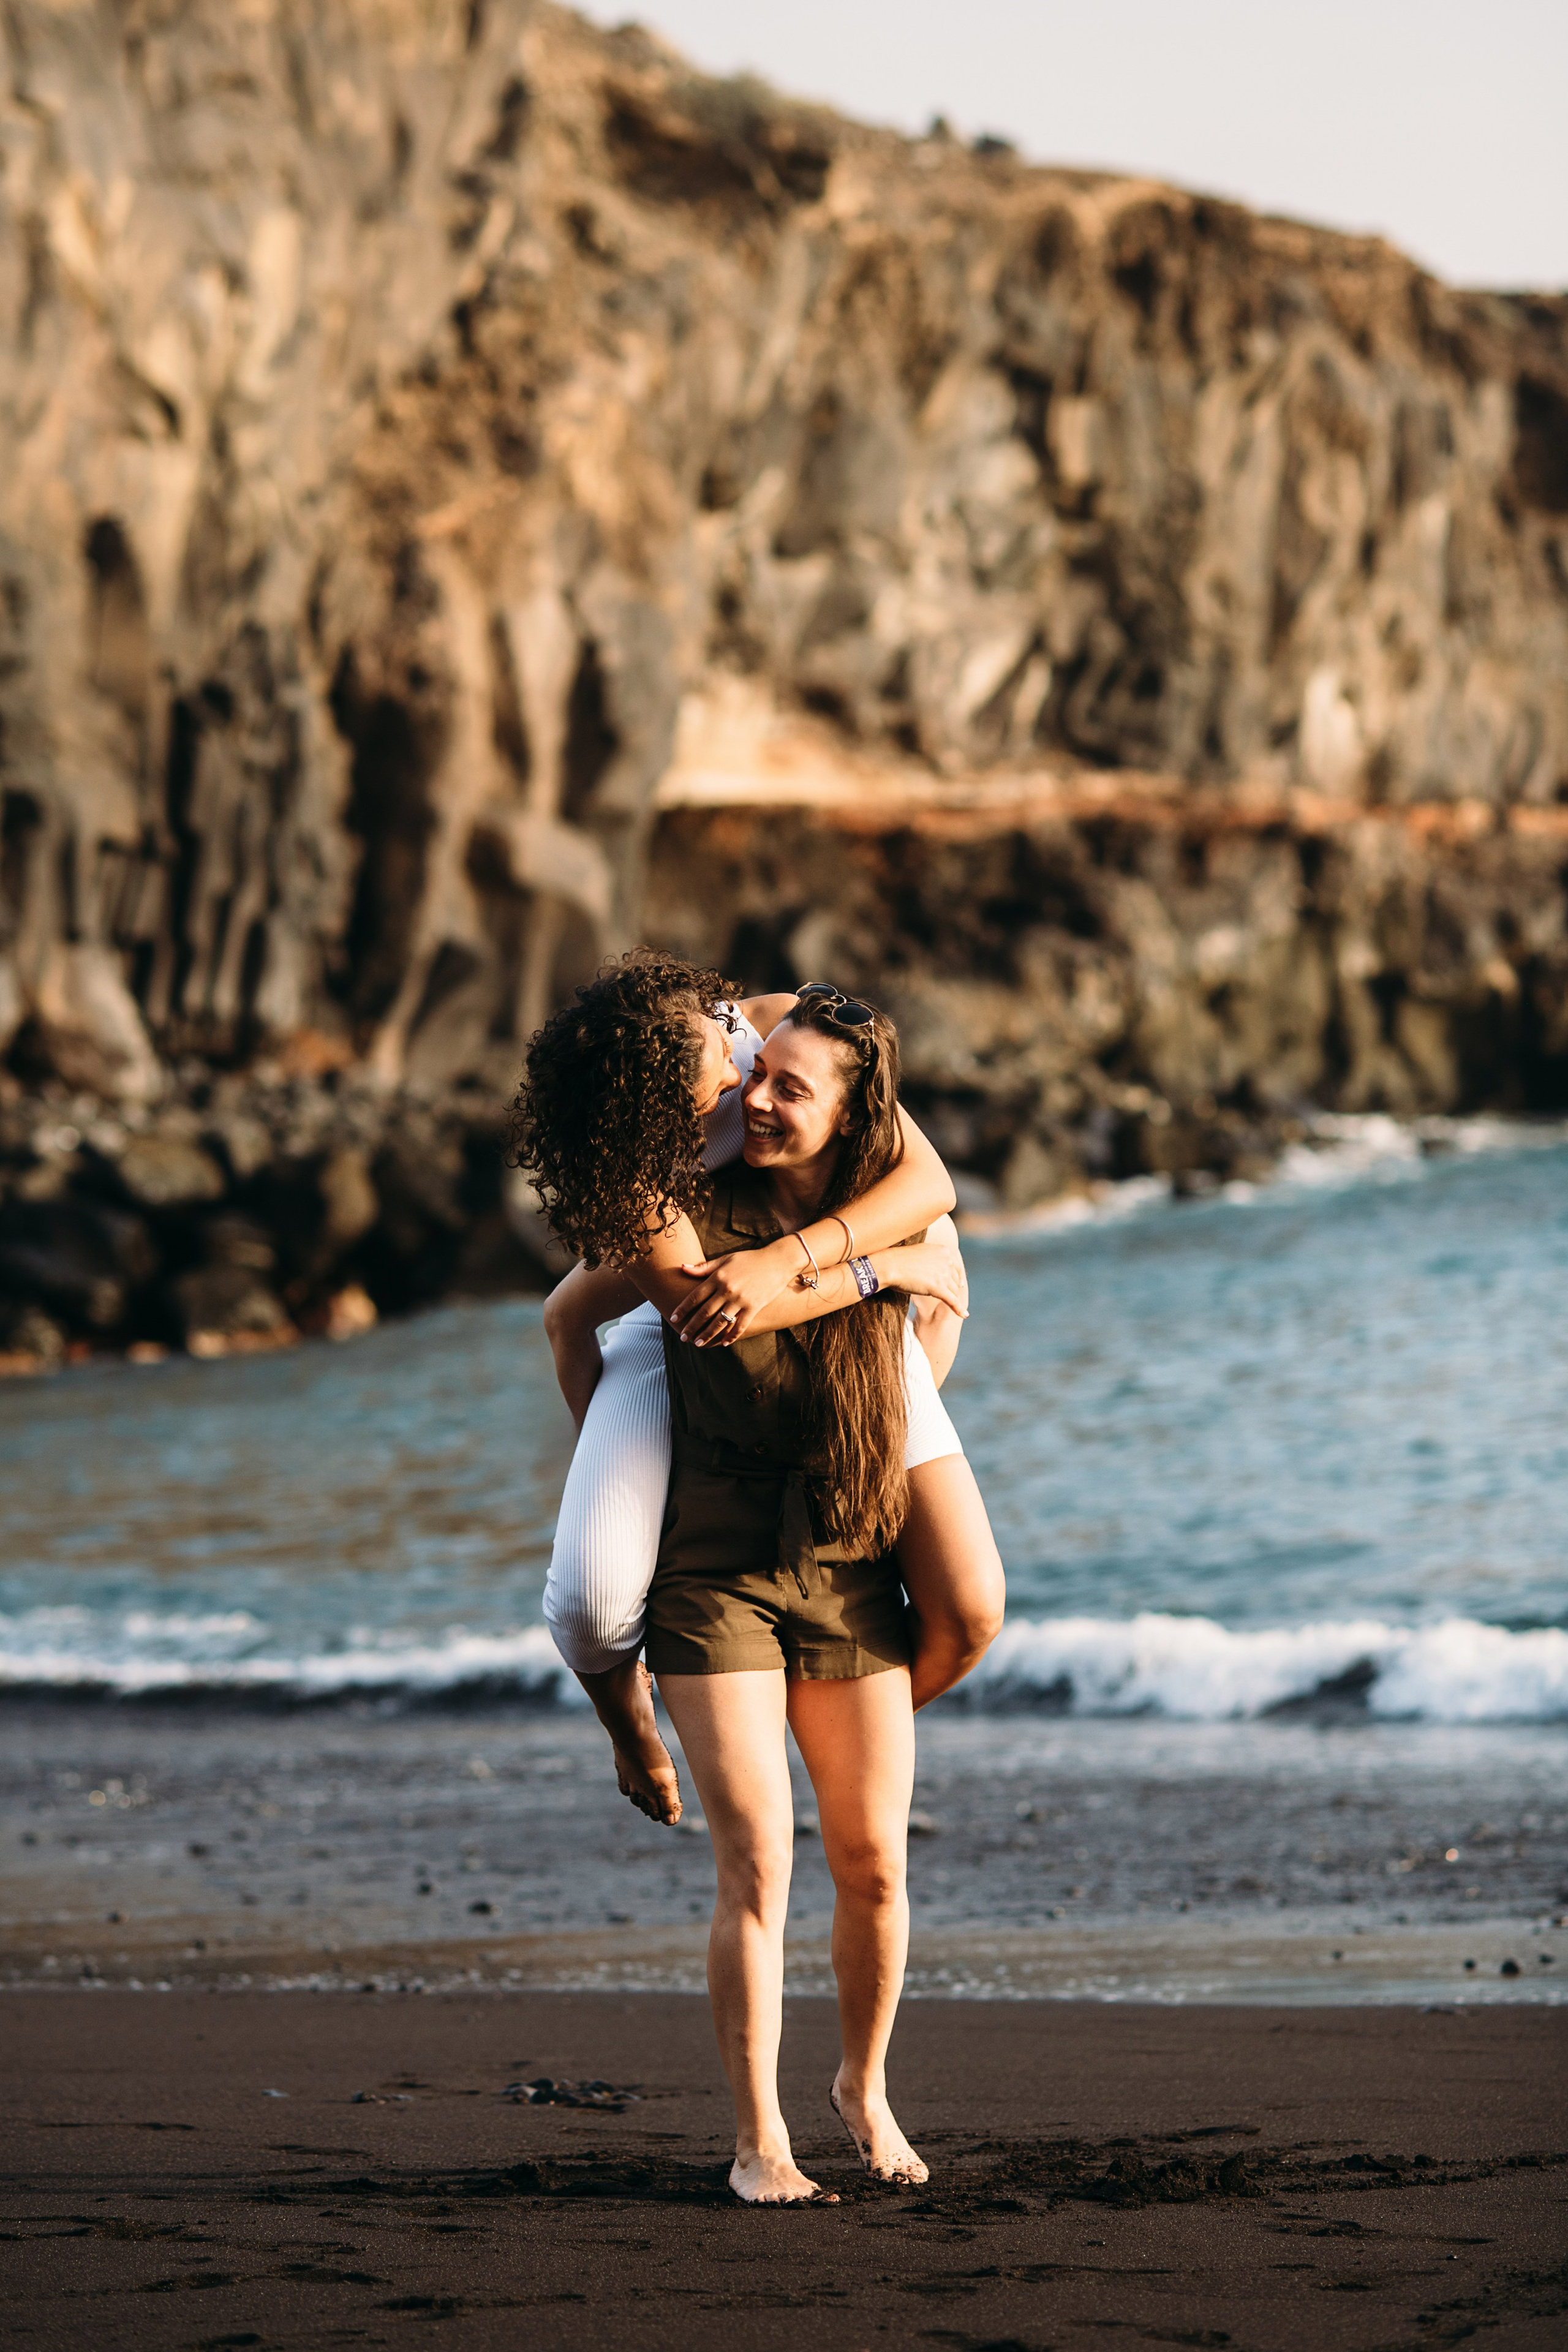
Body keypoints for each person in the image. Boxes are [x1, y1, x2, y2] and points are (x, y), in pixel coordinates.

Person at [519, 977, 978, 2201]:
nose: (746, 1096)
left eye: (774, 1080)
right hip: (715, 1567)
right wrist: (884, 1263)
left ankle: (862, 2090)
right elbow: (665, 1308)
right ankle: (757, 2141)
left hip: (841, 1558)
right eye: (735, 1084)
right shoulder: (665, 1195)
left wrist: (867, 1261)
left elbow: (930, 1214)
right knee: (754, 1861)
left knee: (873, 1861)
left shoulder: (783, 1042)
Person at [513, 955, 1004, 1829]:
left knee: (970, 1604)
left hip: (825, 1278)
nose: (746, 1083)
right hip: (687, 1314)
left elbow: (930, 1185)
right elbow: (688, 1315)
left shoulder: (776, 1024)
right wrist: (647, 1480)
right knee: (588, 1610)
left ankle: (837, 1737)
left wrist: (805, 1255)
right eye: (720, 1088)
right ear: (662, 1114)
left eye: (735, 1048)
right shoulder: (641, 1177)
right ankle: (633, 1728)